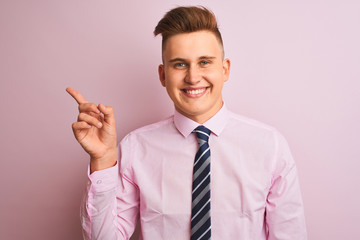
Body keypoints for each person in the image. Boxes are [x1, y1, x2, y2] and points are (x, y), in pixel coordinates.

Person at [67, 6, 307, 240]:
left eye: (204, 62)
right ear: (163, 75)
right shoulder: (135, 148)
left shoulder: (269, 146)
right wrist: (102, 161)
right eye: (180, 64)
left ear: (224, 70)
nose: (193, 77)